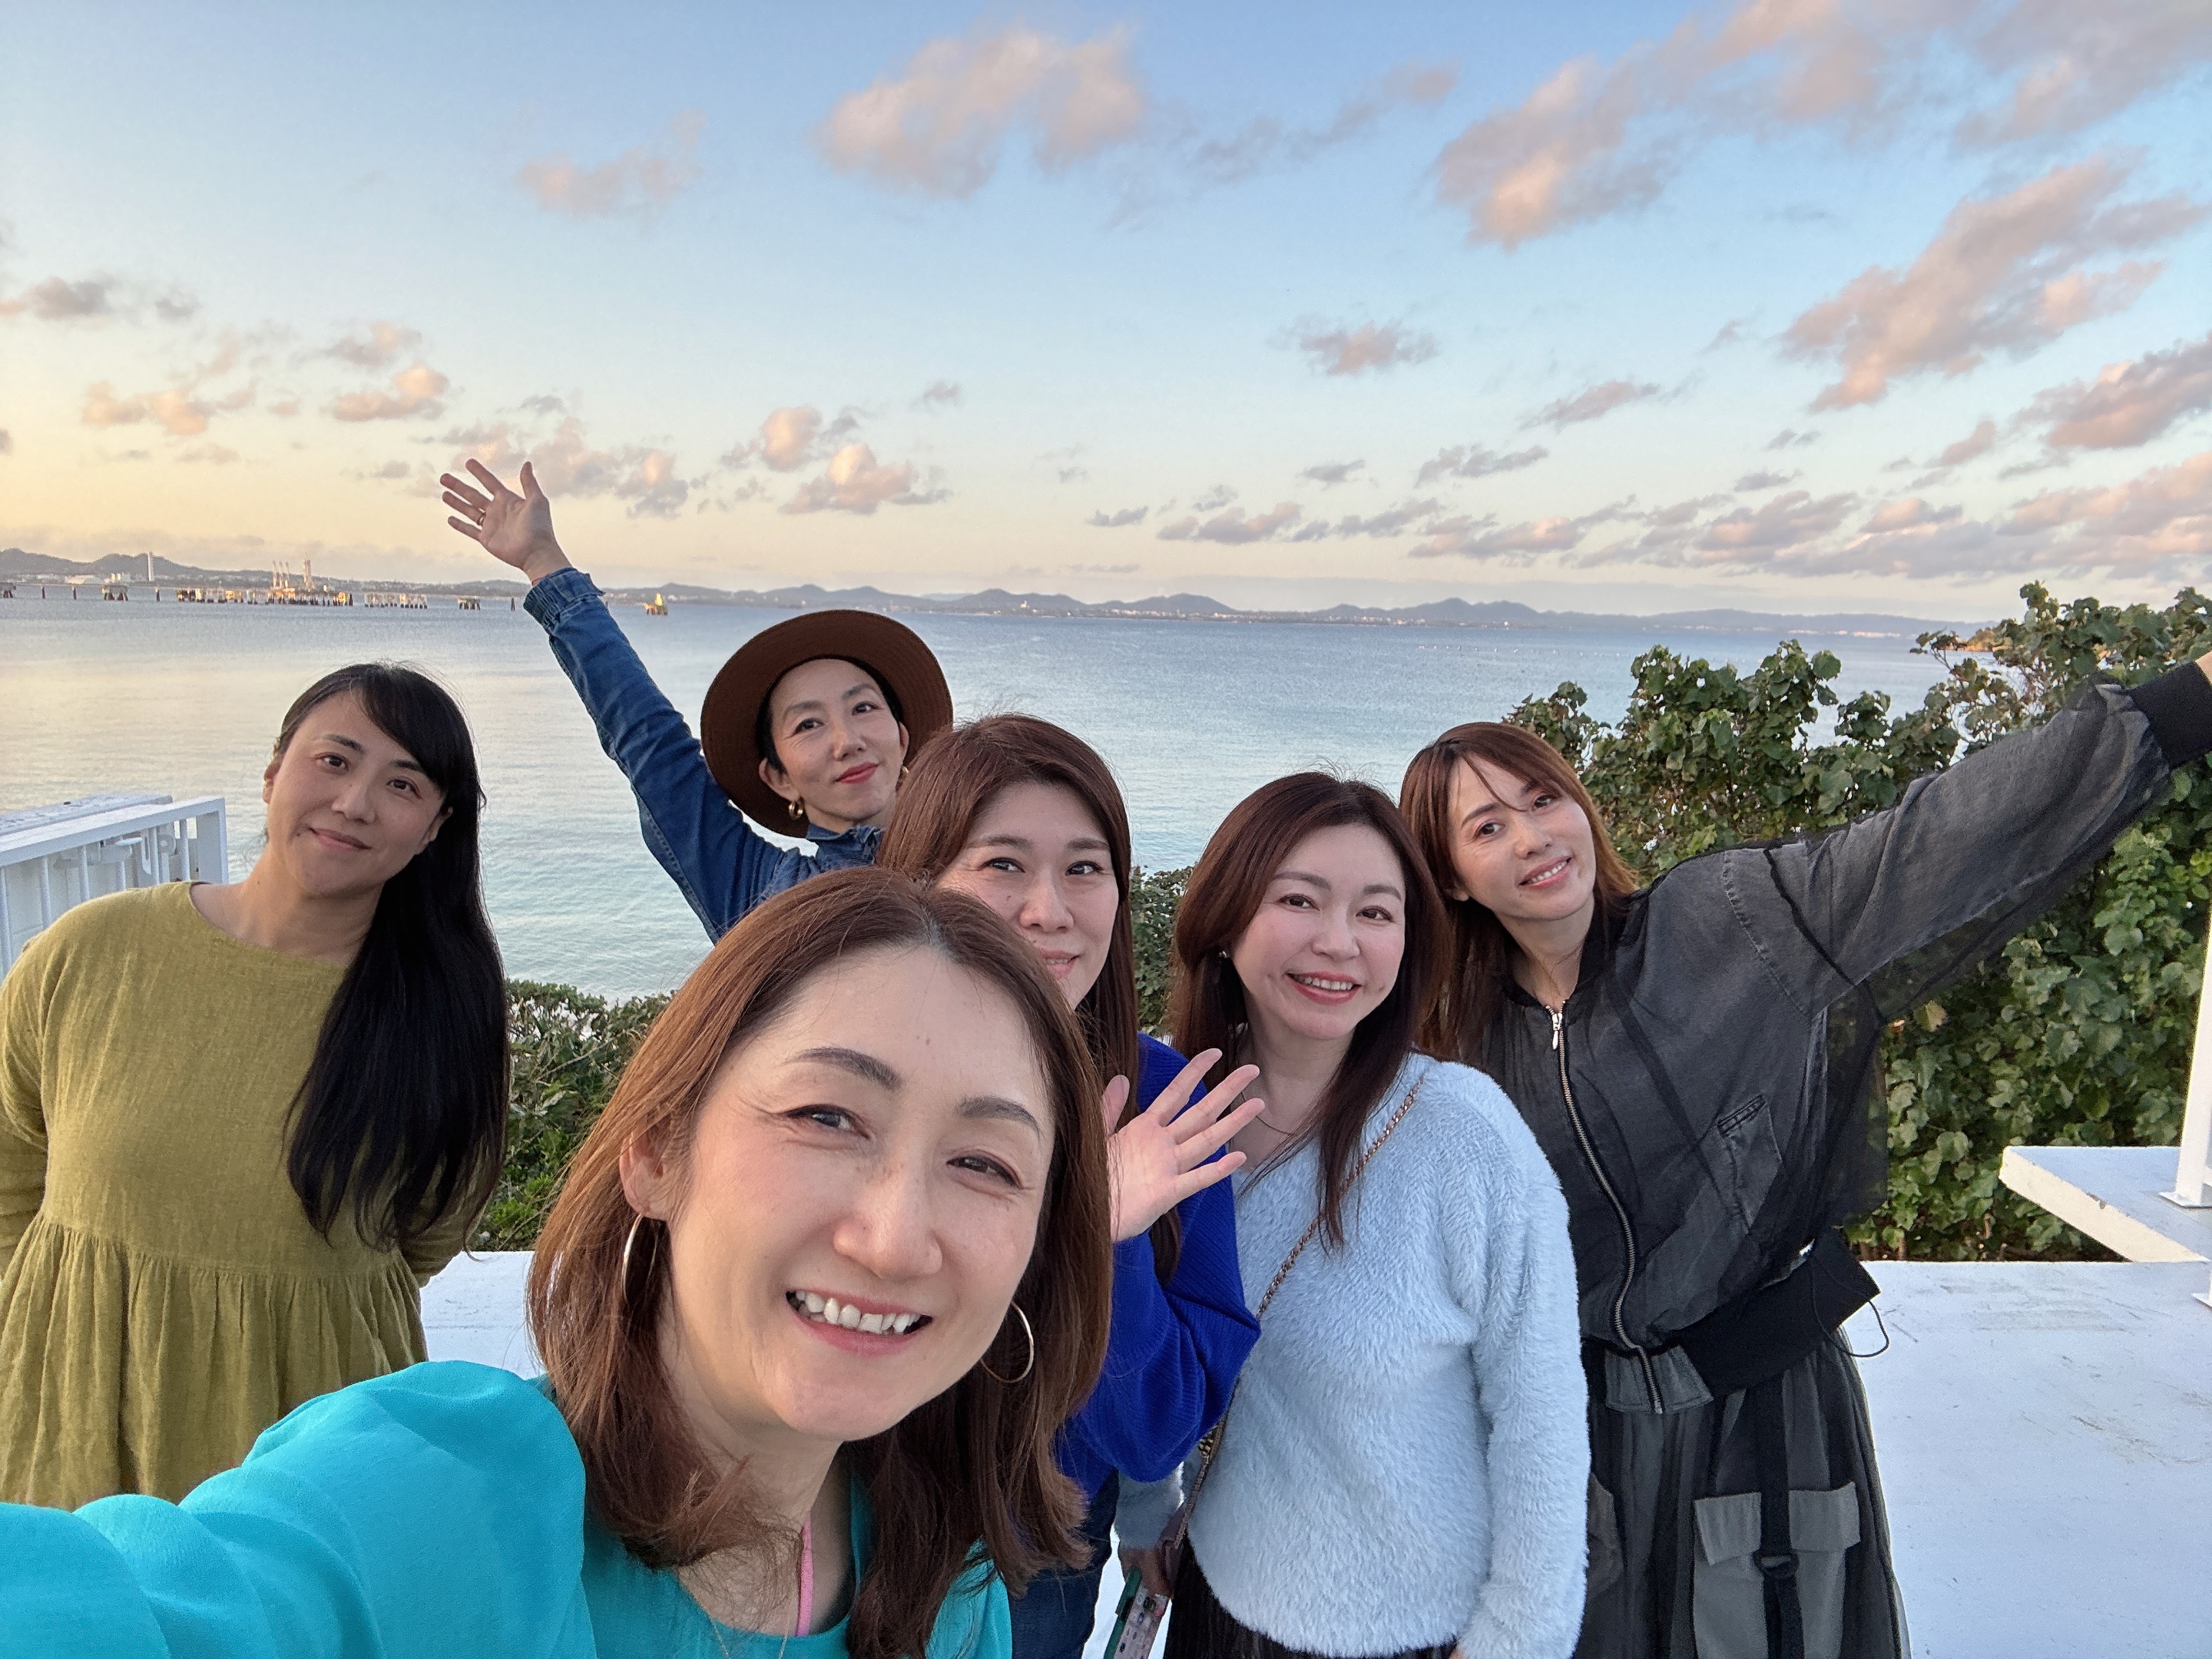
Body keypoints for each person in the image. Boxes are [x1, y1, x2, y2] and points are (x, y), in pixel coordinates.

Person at [2, 868, 1118, 1657]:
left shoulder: (946, 1580)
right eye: (828, 1117)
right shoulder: (451, 1503)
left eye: (985, 1164)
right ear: (657, 1151)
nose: (895, 1236)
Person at [1397, 648, 2212, 1659]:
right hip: (1587, 1446)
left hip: (1767, 1419)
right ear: (1450, 877)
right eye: (1487, 828)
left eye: (1542, 799)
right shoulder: (1458, 1048)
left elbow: (1933, 839)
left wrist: (2183, 705)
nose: (1533, 838)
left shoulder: (1727, 923)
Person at [0, 663, 508, 1508]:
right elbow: (9, 1165)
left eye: (403, 784)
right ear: (274, 772)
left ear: (434, 827)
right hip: (67, 1413)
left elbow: (425, 1231)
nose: (354, 803)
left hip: (306, 1439)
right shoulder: (91, 950)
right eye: (334, 760)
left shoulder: (442, 1016)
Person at [1119, 774, 1587, 1659]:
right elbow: (1136, 1328)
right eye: (1298, 900)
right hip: (1218, 1603)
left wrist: (1517, 1642)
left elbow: (1542, 1419)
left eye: (1375, 913)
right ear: (1224, 920)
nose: (1338, 943)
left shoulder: (1463, 1133)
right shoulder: (1166, 1115)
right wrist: (1148, 1510)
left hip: (1414, 1632)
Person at [876, 714, 1265, 1657]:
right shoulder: (850, 1080)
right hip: (852, 1511)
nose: (1049, 909)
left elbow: (1156, 1428)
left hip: (1038, 1547)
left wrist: (1106, 1238)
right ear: (918, 880)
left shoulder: (1165, 1100)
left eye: (1085, 868)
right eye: (1002, 864)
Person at [442, 459, 953, 938]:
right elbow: (652, 746)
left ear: (902, 738)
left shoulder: (980, 856)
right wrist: (543, 561)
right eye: (808, 725)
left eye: (863, 708)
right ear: (778, 778)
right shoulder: (763, 896)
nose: (847, 740)